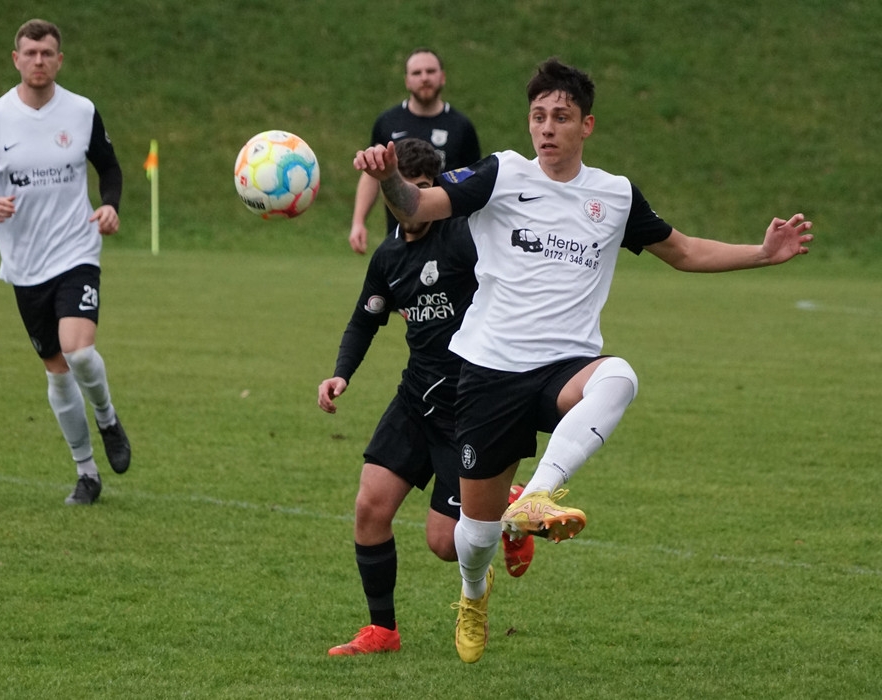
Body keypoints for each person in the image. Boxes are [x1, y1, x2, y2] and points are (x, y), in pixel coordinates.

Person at [354, 57, 814, 663]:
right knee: (474, 536)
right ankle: (473, 594)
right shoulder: (502, 174)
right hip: (488, 373)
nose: (547, 128)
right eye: (538, 116)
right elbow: (416, 207)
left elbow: (681, 251)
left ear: (586, 125)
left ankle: (538, 494)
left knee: (620, 376)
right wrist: (389, 178)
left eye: (561, 117)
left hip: (562, 368)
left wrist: (762, 253)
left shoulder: (614, 195)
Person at [320, 138, 519, 656]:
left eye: (423, 189)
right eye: (402, 191)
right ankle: (382, 631)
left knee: (443, 544)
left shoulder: (464, 240)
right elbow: (364, 320)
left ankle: (505, 509)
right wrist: (341, 374)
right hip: (416, 398)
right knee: (370, 507)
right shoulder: (388, 256)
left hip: (466, 407)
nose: (413, 201)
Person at [0, 18, 131, 505]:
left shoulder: (81, 111)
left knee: (79, 352)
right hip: (24, 262)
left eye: (47, 53)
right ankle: (86, 473)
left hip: (76, 250)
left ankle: (108, 419)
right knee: (57, 370)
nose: (39, 60)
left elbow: (110, 167)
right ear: (16, 59)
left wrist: (110, 205)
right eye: (30, 53)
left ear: (59, 60)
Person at [348, 48, 481, 255]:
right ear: (407, 81)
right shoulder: (387, 122)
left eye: (430, 71)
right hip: (401, 239)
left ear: (442, 77)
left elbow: (474, 183)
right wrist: (358, 222)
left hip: (449, 243)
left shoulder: (461, 127)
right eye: (417, 73)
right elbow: (372, 174)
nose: (424, 78)